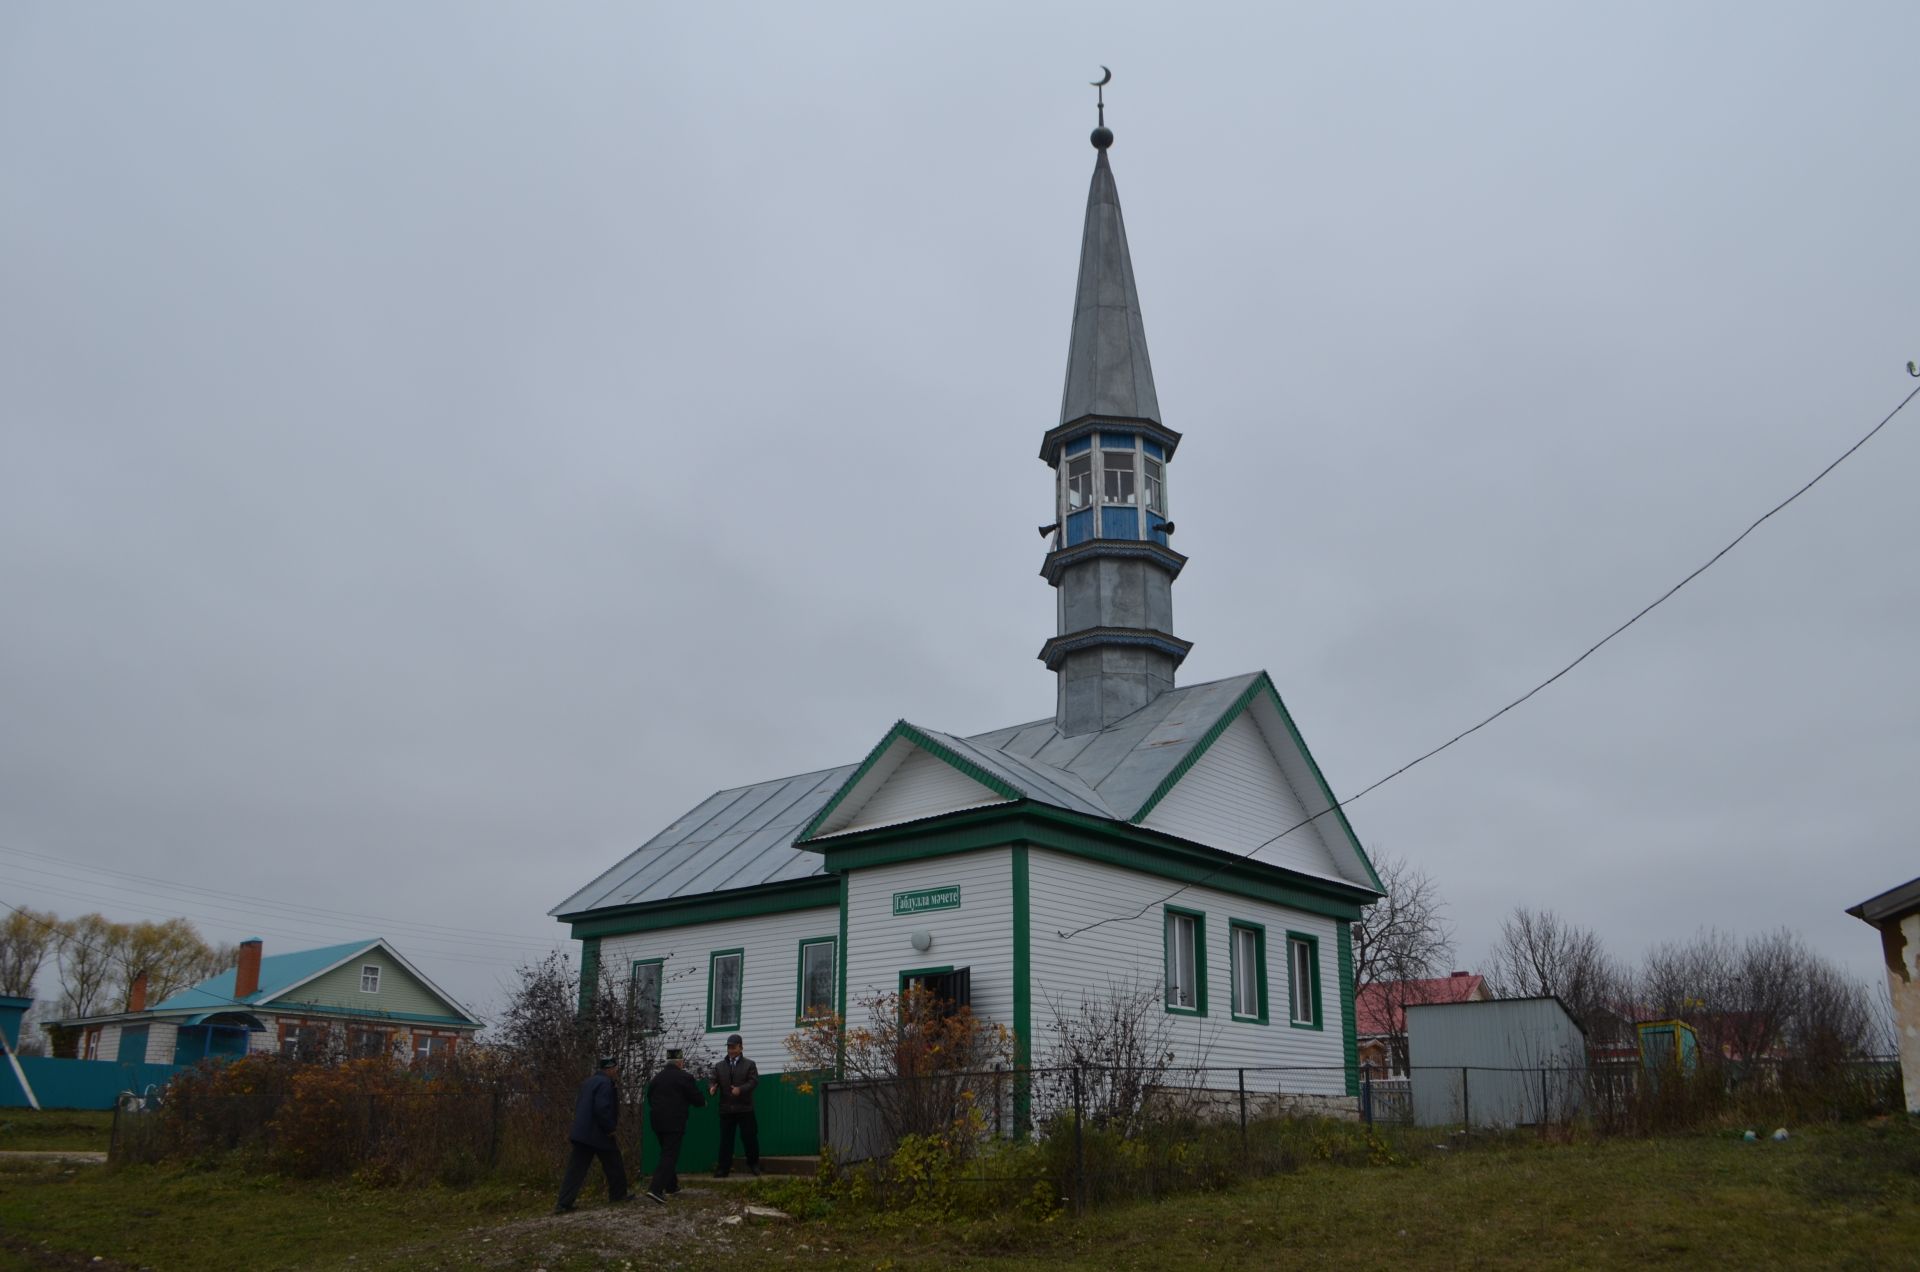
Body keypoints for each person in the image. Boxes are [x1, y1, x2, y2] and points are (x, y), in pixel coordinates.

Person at [553, 1056, 631, 1214]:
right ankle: (618, 1195)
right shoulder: (606, 1083)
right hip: (599, 1133)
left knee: (576, 1169)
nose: (616, 1071)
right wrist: (610, 1128)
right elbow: (602, 1108)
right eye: (615, 1069)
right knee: (614, 1163)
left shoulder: (587, 1082)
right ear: (610, 1069)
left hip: (582, 1132)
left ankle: (563, 1203)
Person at [644, 1047, 705, 1202]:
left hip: (657, 1121)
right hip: (674, 1122)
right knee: (670, 1154)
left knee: (666, 1151)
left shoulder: (657, 1078)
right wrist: (703, 1102)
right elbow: (694, 1097)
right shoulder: (684, 1077)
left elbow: (650, 1097)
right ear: (680, 1062)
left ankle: (672, 1186)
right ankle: (655, 1189)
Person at [709, 1033, 761, 1178]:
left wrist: (740, 1089)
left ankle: (753, 1164)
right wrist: (712, 1087)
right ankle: (723, 1169)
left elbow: (753, 1081)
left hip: (745, 1108)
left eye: (733, 1047)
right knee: (726, 1140)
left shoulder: (749, 1064)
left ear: (740, 1047)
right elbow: (713, 1079)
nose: (731, 1050)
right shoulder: (719, 1066)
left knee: (749, 1137)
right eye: (729, 1047)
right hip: (726, 1109)